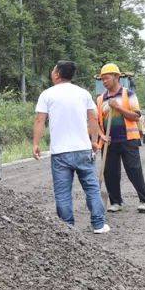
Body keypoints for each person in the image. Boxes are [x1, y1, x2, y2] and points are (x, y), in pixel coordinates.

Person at [33, 60, 109, 233]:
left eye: (53, 69)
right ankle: (98, 224)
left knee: (62, 192)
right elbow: (93, 118)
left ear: (57, 74)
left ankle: (68, 228)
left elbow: (40, 120)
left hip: (60, 152)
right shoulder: (83, 94)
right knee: (92, 188)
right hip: (83, 149)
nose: (52, 72)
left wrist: (36, 144)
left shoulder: (47, 94)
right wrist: (94, 141)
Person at [96, 63, 145, 213]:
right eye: (102, 80)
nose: (104, 82)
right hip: (109, 142)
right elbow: (98, 122)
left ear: (116, 77)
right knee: (110, 172)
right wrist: (101, 136)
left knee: (134, 169)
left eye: (106, 78)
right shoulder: (101, 99)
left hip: (128, 139)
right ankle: (115, 202)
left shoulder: (129, 94)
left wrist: (118, 107)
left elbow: (136, 116)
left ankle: (143, 200)